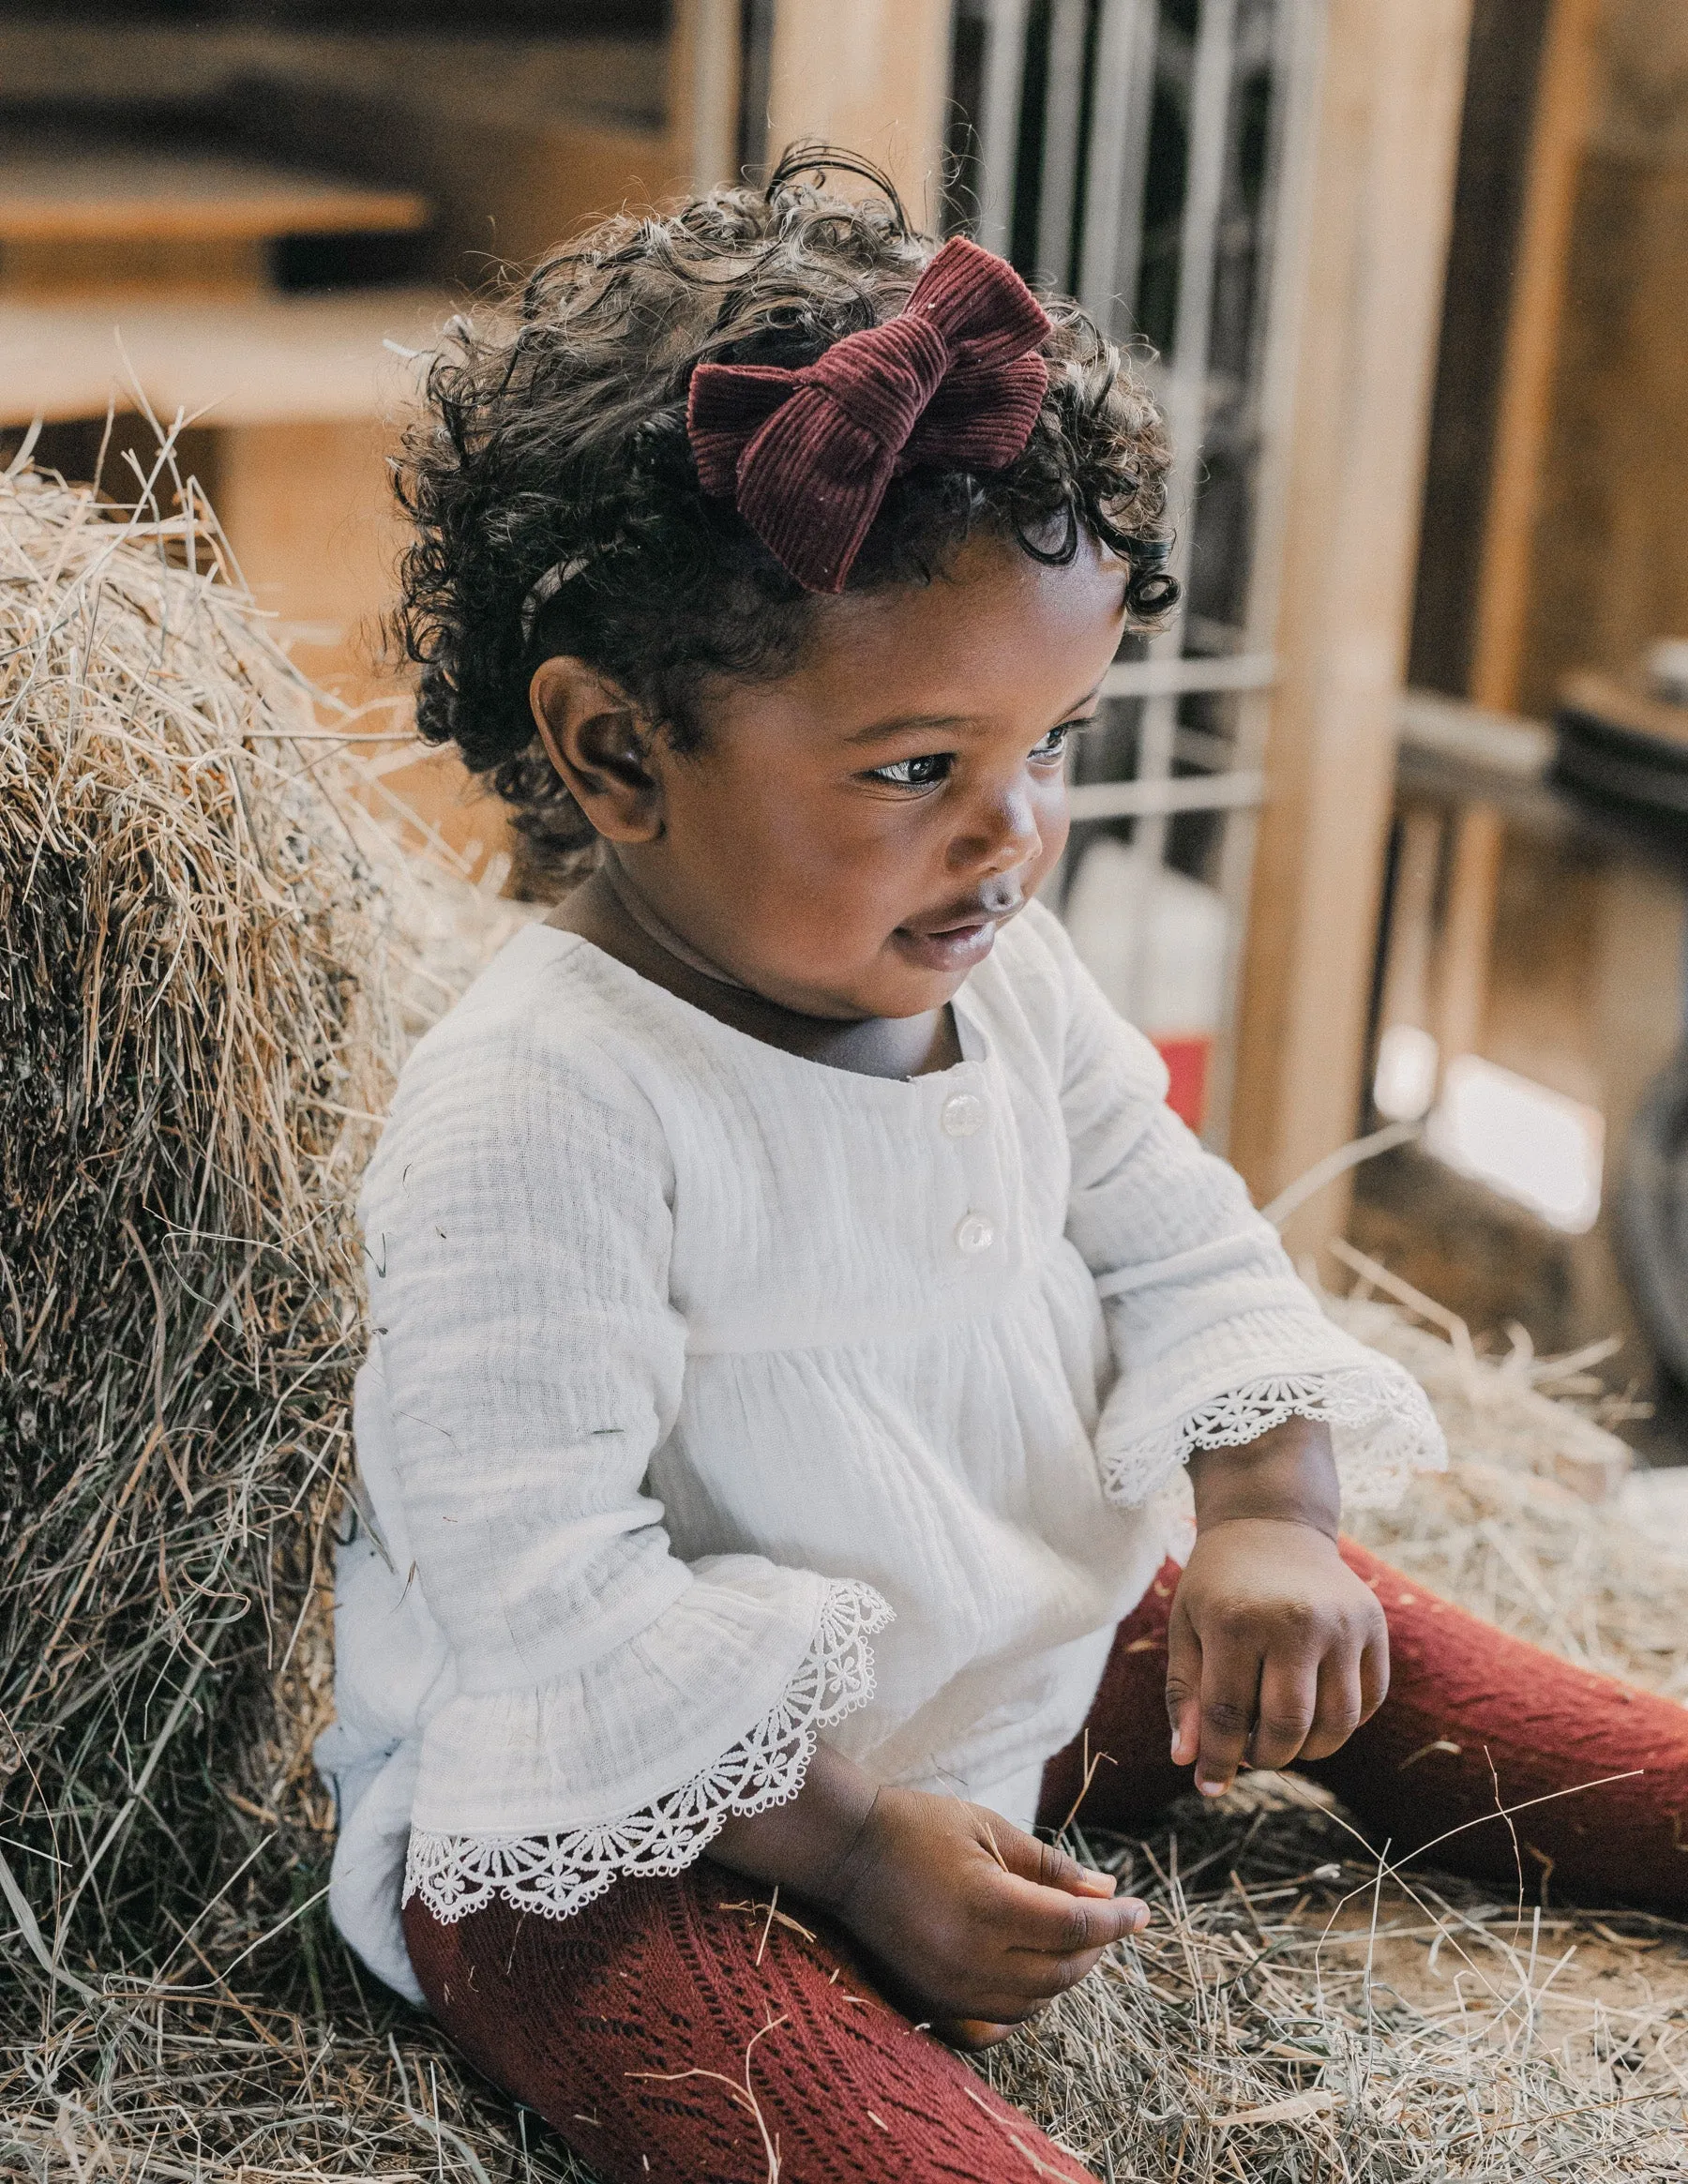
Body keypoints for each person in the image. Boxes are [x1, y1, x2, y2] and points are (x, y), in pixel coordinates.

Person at [315, 155, 1688, 2184]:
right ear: (614, 752)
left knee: (1384, 1652)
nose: (1016, 834)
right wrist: (856, 1845)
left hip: (1004, 1641)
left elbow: (1183, 1241)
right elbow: (541, 1600)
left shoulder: (1009, 975)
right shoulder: (545, 1108)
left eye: (1053, 745)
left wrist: (1267, 1514)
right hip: (658, 1803)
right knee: (747, 2055)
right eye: (916, 769)